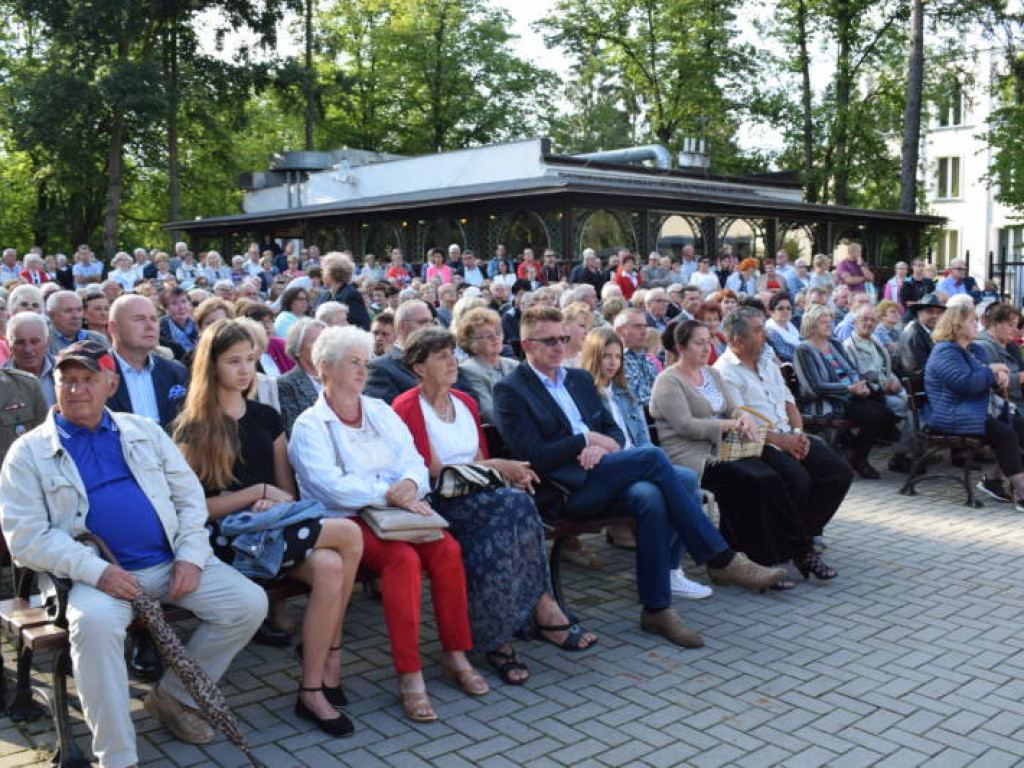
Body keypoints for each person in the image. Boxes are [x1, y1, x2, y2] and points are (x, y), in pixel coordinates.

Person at [0, 339, 267, 768]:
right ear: (55, 385)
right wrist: (97, 571)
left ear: (110, 384)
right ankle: (117, 757)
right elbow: (26, 537)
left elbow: (189, 500)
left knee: (248, 603)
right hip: (93, 578)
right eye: (68, 380)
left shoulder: (144, 430)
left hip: (169, 561)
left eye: (89, 379)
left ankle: (174, 696)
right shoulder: (28, 452)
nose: (77, 389)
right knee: (94, 628)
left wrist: (190, 557)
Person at [494, 307, 786, 649]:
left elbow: (614, 431)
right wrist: (585, 440)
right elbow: (533, 456)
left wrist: (603, 444)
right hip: (563, 488)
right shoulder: (512, 390)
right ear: (527, 345)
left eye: (563, 338)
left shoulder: (578, 379)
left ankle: (657, 609)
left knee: (652, 495)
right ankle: (719, 557)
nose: (559, 346)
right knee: (653, 457)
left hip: (602, 470)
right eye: (549, 341)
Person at [172, 320, 362, 736]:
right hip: (228, 540)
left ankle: (311, 689)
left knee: (331, 566)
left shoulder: (266, 416)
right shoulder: (193, 426)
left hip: (273, 530)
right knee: (349, 534)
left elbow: (287, 492)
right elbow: (194, 510)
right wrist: (253, 494)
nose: (245, 370)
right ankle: (332, 651)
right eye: (233, 361)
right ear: (211, 365)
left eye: (251, 360)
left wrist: (272, 500)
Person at [289, 326, 486, 722]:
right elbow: (329, 485)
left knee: (447, 550)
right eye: (353, 362)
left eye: (365, 362)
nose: (363, 370)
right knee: (403, 561)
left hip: (399, 510)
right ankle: (409, 675)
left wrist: (410, 484)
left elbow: (413, 459)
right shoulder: (310, 425)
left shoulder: (378, 410)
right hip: (347, 521)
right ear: (324, 368)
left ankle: (455, 654)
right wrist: (388, 493)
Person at [393, 328, 596, 684]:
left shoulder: (464, 402)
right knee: (510, 510)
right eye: (441, 357)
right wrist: (501, 468)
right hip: (437, 502)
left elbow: (478, 461)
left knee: (510, 511)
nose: (452, 362)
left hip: (481, 498)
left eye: (452, 354)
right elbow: (433, 471)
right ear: (419, 368)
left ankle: (504, 633)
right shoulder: (407, 406)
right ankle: (537, 611)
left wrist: (506, 473)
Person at [651, 320, 831, 582]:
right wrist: (727, 425)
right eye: (699, 343)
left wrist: (742, 417)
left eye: (708, 342)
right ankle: (776, 556)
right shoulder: (668, 381)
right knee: (756, 479)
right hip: (693, 457)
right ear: (680, 347)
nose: (706, 348)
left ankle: (786, 551)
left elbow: (732, 408)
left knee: (772, 477)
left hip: (724, 448)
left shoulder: (710, 374)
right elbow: (685, 426)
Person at [579, 327, 714, 597]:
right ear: (593, 356)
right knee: (652, 494)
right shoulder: (584, 396)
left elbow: (643, 440)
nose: (613, 363)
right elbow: (590, 443)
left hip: (641, 462)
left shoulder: (624, 393)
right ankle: (676, 567)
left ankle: (671, 570)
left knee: (688, 481)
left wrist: (652, 465)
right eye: (606, 356)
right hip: (613, 471)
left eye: (617, 356)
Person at [714, 306, 854, 553]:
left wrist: (798, 434)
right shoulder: (724, 371)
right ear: (737, 340)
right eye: (758, 330)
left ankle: (803, 534)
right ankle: (787, 541)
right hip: (756, 442)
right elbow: (740, 423)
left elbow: (790, 403)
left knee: (838, 472)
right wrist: (782, 441)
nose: (765, 334)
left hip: (788, 435)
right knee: (798, 480)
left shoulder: (767, 363)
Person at [924, 304, 1024, 507]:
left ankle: (994, 481)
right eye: (971, 321)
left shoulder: (969, 350)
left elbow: (981, 378)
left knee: (1019, 426)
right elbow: (966, 384)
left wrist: (999, 376)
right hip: (952, 415)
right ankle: (1021, 491)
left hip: (970, 410)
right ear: (957, 325)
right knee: (1005, 433)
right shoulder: (945, 351)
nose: (976, 325)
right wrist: (991, 371)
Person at [793, 304, 896, 478]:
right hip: (828, 400)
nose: (829, 325)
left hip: (850, 395)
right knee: (874, 416)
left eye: (830, 321)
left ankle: (853, 451)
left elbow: (851, 370)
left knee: (886, 413)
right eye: (824, 322)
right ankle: (858, 457)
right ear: (812, 325)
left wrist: (859, 385)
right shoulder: (804, 350)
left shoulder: (834, 343)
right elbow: (813, 386)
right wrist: (847, 388)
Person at [841, 304, 914, 473]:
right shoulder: (849, 346)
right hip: (870, 395)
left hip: (887, 390)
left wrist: (895, 383)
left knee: (917, 402)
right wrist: (883, 387)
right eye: (864, 319)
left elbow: (886, 369)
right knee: (911, 409)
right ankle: (902, 455)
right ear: (855, 322)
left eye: (872, 320)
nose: (868, 323)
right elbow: (856, 377)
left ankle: (910, 450)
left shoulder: (875, 342)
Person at [365, 300, 479, 404]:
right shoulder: (380, 368)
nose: (430, 328)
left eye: (432, 322)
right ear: (402, 327)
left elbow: (472, 401)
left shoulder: (447, 358)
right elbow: (391, 413)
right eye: (423, 322)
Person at [106, 295, 191, 428]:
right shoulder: (96, 373)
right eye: (139, 319)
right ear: (114, 327)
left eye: (154, 319)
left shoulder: (177, 372)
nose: (150, 326)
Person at [457, 308, 518, 425]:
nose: (496, 338)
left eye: (498, 333)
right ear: (471, 343)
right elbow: (490, 414)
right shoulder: (469, 370)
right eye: (488, 336)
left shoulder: (514, 365)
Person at [277, 318, 327, 436]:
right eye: (316, 342)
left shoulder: (339, 379)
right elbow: (295, 429)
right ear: (298, 349)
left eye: (326, 342)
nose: (324, 348)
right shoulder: (285, 385)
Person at [3, 311, 57, 407]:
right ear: (8, 344)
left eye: (34, 342)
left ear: (47, 342)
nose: (27, 349)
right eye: (20, 342)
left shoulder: (65, 372)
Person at [896, 293, 944, 379]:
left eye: (938, 312)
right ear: (919, 313)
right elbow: (916, 370)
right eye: (930, 312)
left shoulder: (929, 331)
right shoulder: (913, 334)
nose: (935, 316)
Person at [319, 252, 371, 330]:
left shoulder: (351, 295)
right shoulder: (325, 295)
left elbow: (362, 325)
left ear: (331, 273)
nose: (321, 274)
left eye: (323, 271)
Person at [47, 291, 108, 356]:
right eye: (68, 311)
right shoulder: (44, 342)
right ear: (51, 315)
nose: (76, 316)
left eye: (79, 310)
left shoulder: (98, 339)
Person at [765, 293, 801, 363]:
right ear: (771, 312)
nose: (785, 311)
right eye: (780, 308)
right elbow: (785, 355)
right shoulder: (770, 331)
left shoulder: (792, 325)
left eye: (788, 308)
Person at [561, 301, 594, 368]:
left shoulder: (590, 360)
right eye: (582, 325)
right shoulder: (551, 360)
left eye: (589, 328)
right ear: (565, 327)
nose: (587, 332)